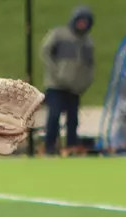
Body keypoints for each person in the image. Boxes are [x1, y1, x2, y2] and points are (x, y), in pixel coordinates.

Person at [40, 5, 95, 156]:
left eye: (85, 22)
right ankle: (50, 147)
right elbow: (45, 52)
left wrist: (86, 82)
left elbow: (90, 65)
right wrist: (55, 73)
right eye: (80, 21)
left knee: (73, 118)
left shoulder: (87, 42)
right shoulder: (59, 34)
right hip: (56, 85)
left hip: (75, 87)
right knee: (54, 115)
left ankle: (71, 147)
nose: (82, 24)